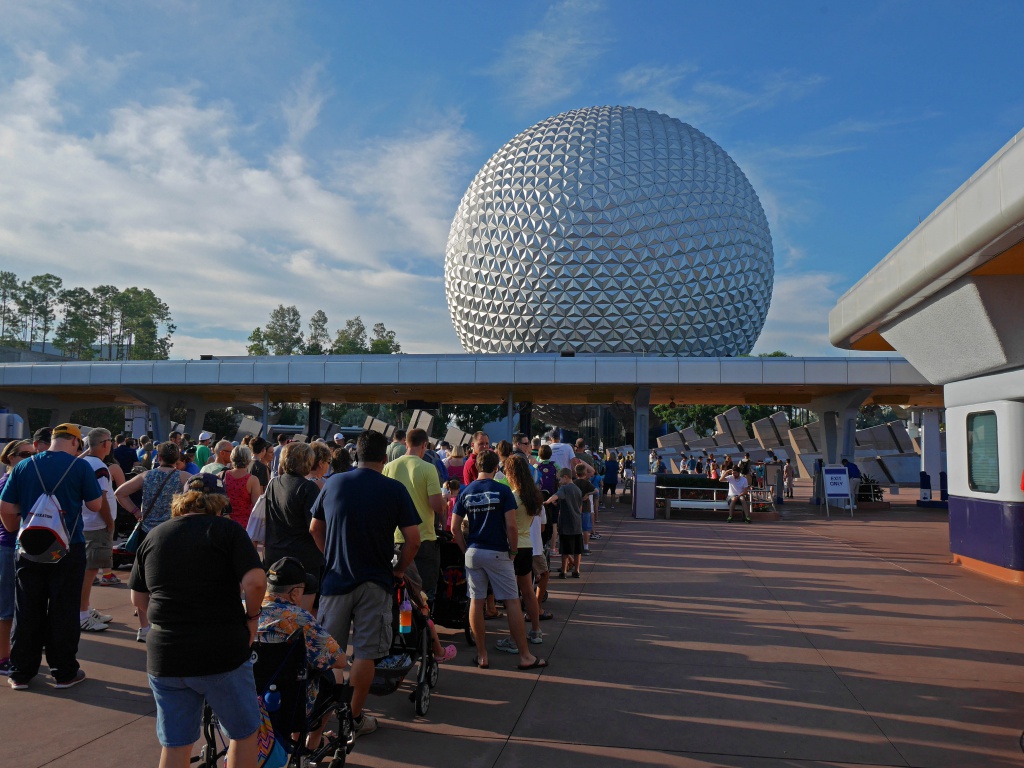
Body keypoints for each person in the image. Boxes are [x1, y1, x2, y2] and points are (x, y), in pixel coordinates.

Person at [129, 473, 265, 768]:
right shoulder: (227, 531)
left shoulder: (155, 536)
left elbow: (139, 600)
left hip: (166, 654)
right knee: (244, 733)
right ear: (220, 503)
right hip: (221, 651)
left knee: (176, 743)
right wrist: (252, 617)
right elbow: (255, 582)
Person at [310, 430, 422, 739]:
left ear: (355, 454)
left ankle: (317, 729)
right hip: (376, 581)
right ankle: (354, 718)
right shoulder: (394, 489)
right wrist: (399, 571)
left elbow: (314, 528)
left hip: (335, 580)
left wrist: (330, 555)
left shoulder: (333, 483)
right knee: (366, 654)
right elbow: (413, 541)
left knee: (331, 654)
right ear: (385, 459)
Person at [0, 424, 102, 690]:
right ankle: (64, 671)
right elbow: (95, 505)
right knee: (63, 609)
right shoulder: (80, 467)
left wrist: (14, 527)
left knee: (27, 608)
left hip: (29, 547)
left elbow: (6, 507)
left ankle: (20, 672)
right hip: (68, 547)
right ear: (76, 443)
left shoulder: (24, 466)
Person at [451, 449, 546, 672]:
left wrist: (466, 549)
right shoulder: (503, 491)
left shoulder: (466, 491)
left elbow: (455, 528)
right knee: (512, 600)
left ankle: (482, 655)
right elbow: (511, 526)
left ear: (476, 467)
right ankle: (525, 656)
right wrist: (513, 551)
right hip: (497, 552)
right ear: (496, 468)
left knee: (477, 601)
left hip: (474, 551)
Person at [258, 557, 347, 753]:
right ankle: (310, 743)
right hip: (289, 705)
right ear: (294, 593)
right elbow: (340, 659)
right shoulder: (299, 618)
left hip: (245, 699)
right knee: (336, 673)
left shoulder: (245, 610)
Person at [115, 442, 191, 641]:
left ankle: (144, 627)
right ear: (178, 460)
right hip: (172, 532)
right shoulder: (185, 478)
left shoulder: (146, 476)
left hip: (146, 532)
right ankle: (166, 621)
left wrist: (136, 513)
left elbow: (119, 493)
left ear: (159, 457)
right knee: (170, 579)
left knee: (142, 580)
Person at [383, 428, 445, 602]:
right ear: (424, 445)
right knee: (424, 591)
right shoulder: (428, 468)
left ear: (406, 443)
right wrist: (444, 502)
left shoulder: (389, 467)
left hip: (397, 538)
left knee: (397, 586)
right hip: (424, 536)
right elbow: (436, 505)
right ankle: (424, 625)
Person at [494, 455, 546, 655]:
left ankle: (514, 639)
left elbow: (509, 525)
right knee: (528, 591)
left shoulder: (512, 497)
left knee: (511, 597)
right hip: (527, 546)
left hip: (512, 548)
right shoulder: (533, 496)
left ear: (512, 473)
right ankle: (536, 630)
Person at [263, 442, 323, 613]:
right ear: (307, 461)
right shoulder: (307, 487)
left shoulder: (274, 483)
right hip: (303, 560)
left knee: (276, 613)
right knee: (303, 618)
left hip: (275, 556)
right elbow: (314, 526)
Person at [78, 428, 119, 633]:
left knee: (88, 570)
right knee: (90, 571)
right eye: (110, 441)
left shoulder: (85, 463)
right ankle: (83, 614)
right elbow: (101, 497)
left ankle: (84, 610)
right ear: (104, 443)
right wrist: (109, 522)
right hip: (97, 525)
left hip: (86, 523)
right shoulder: (100, 467)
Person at [0, 439, 35, 675]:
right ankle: (3, 657)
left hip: (11, 547)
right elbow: (9, 522)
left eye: (33, 454)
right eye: (24, 454)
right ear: (11, 457)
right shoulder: (9, 481)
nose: (30, 458)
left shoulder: (17, 480)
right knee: (7, 608)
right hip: (8, 547)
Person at [545, 468, 584, 578]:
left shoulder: (564, 488)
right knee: (577, 549)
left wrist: (547, 501)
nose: (559, 481)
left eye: (560, 479)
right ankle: (577, 570)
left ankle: (564, 571)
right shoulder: (578, 489)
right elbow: (579, 506)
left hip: (566, 523)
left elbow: (556, 496)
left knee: (565, 550)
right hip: (577, 523)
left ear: (566, 477)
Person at [224, 446, 260, 529]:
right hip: (245, 525)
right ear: (248, 459)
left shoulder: (222, 475)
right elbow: (256, 506)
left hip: (225, 522)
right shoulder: (253, 480)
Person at [573, 464, 597, 555]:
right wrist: (588, 494)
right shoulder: (587, 483)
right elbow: (596, 490)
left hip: (575, 508)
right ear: (585, 473)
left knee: (576, 529)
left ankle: (577, 547)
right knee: (586, 529)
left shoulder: (574, 483)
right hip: (586, 508)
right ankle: (586, 547)